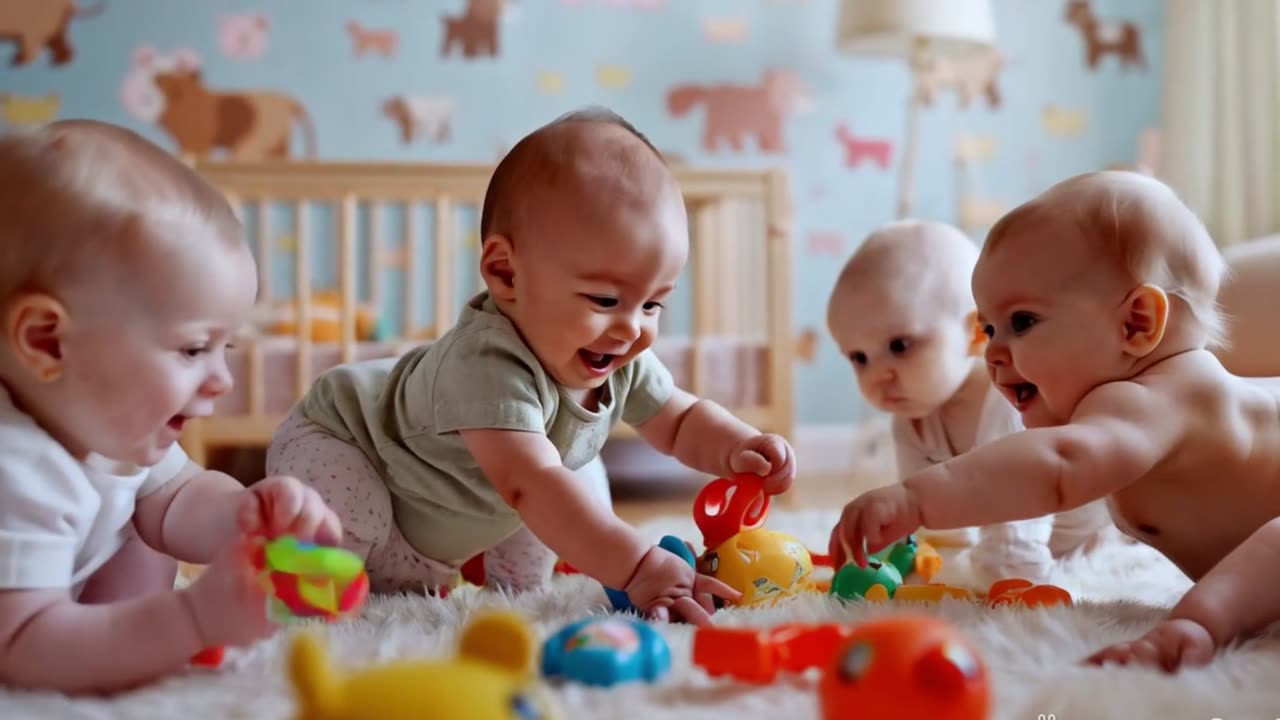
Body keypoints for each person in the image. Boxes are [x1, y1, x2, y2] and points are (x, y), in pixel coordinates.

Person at [266, 107, 796, 625]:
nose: (633, 328)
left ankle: (517, 593)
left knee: (566, 479)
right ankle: (303, 584)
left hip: (440, 522)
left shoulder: (620, 351)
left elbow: (678, 421)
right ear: (506, 274)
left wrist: (737, 446)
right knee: (541, 484)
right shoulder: (486, 363)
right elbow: (531, 485)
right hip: (349, 449)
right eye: (606, 300)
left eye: (652, 304)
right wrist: (638, 566)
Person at [828, 170, 1280, 673]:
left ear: (1136, 324)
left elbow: (1058, 465)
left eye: (1022, 322)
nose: (995, 352)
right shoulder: (1133, 402)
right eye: (989, 327)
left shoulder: (1155, 397)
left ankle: (1199, 625)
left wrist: (917, 499)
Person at [0, 120, 342, 693]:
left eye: (225, 348)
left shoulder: (105, 426)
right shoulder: (17, 469)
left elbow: (176, 499)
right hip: (30, 636)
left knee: (139, 525)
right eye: (192, 348)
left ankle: (121, 639)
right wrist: (192, 619)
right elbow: (19, 648)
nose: (222, 380)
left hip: (74, 606)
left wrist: (252, 520)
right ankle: (121, 639)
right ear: (47, 343)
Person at [826, 219, 1110, 584]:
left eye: (900, 346)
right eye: (858, 358)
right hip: (1006, 530)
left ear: (976, 333)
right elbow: (919, 504)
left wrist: (1010, 580)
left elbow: (1017, 506)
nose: (877, 375)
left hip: (1078, 532)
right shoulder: (911, 415)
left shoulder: (1009, 399)